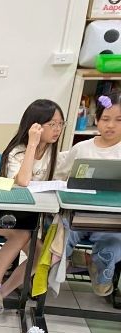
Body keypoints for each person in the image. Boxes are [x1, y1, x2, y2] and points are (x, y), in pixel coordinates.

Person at [0, 99, 65, 314]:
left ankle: (2, 293)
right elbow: (23, 181)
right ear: (35, 126)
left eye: (60, 124)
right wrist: (32, 144)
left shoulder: (53, 153)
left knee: (40, 255)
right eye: (52, 124)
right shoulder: (17, 152)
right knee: (22, 235)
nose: (57, 129)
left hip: (28, 219)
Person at [57, 93, 121, 296]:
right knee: (60, 237)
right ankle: (53, 275)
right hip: (76, 215)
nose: (111, 125)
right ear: (96, 120)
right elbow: (60, 177)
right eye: (105, 119)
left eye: (119, 120)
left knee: (113, 244)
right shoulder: (82, 148)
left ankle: (99, 271)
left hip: (113, 221)